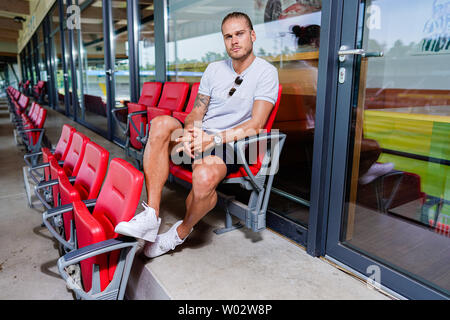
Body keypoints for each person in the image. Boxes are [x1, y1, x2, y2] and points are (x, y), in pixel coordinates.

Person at [115, 12, 279, 258]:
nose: (234, 41)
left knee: (203, 178)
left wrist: (210, 140)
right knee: (160, 124)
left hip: (230, 142)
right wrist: (194, 130)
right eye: (228, 36)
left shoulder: (266, 73)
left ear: (252, 36)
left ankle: (179, 233)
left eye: (240, 34)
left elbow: (256, 124)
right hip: (202, 135)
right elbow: (196, 111)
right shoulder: (214, 69)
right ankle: (151, 215)